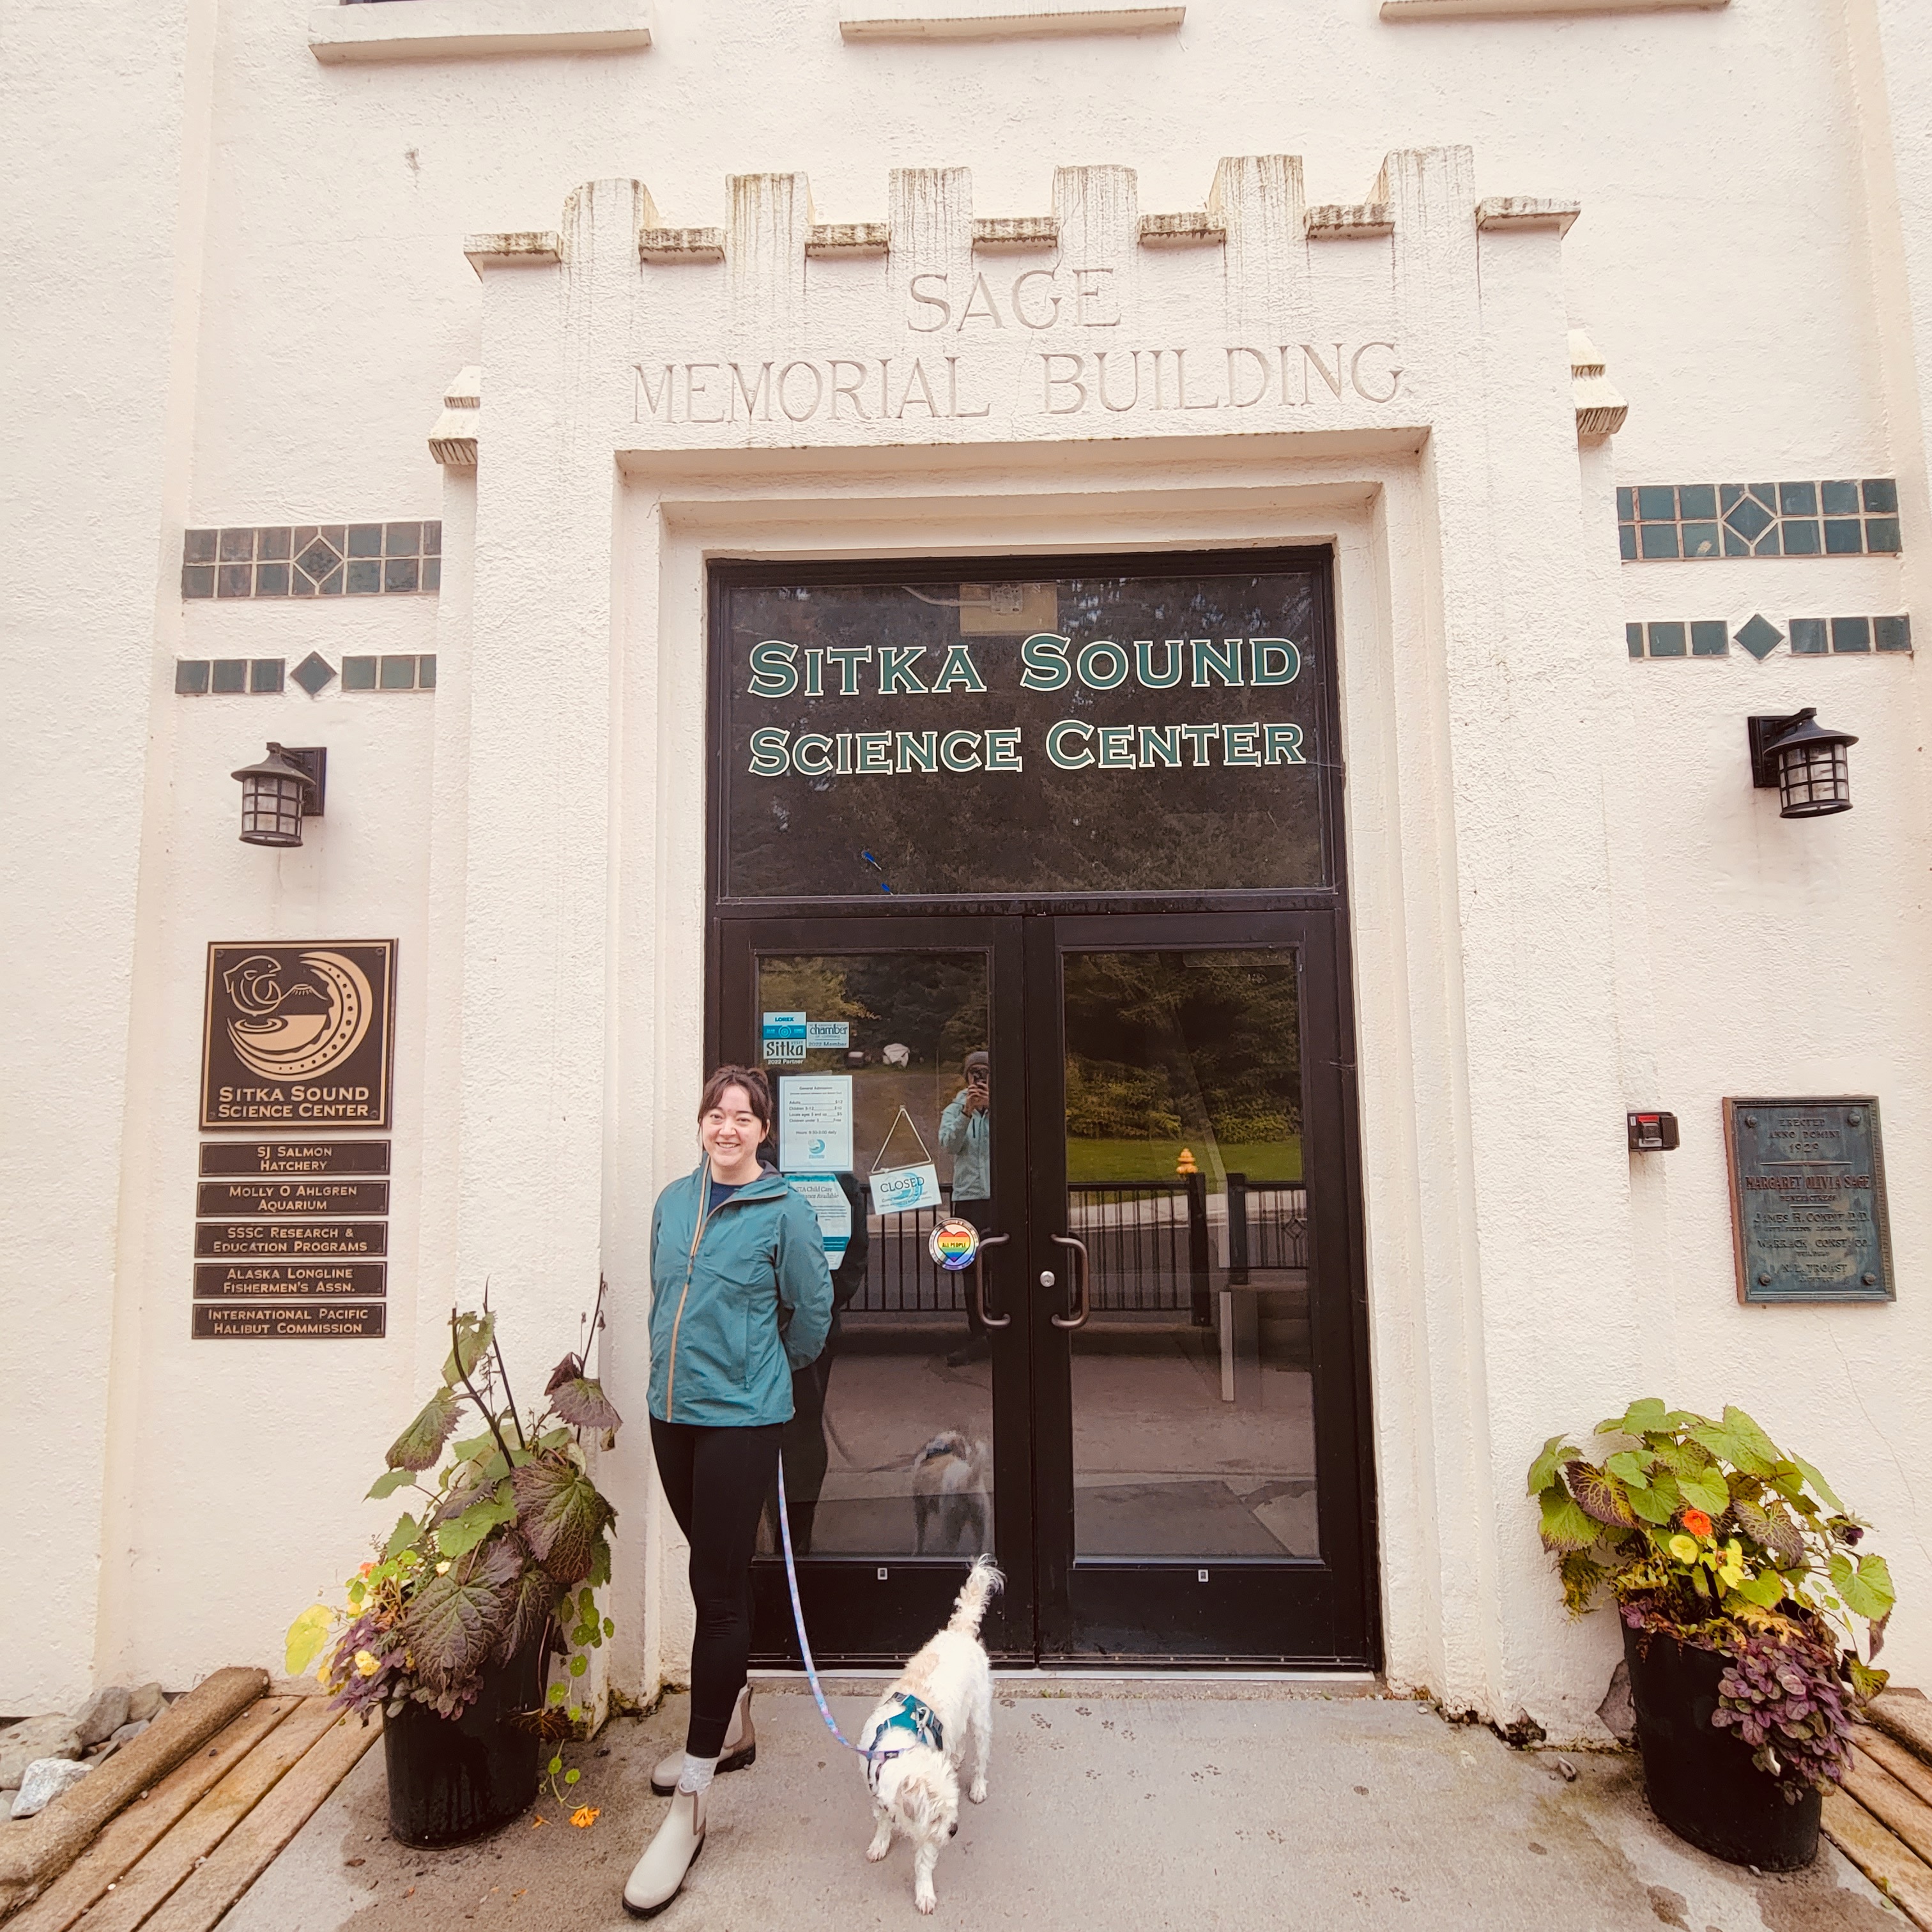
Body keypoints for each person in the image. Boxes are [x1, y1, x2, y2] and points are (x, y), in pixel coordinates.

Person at [624, 1066, 833, 1919]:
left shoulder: (786, 1213)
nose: (728, 1126)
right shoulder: (674, 1201)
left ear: (765, 1130)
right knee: (711, 1573)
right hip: (670, 1414)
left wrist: (764, 1380)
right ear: (702, 1122)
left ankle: (692, 1803)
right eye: (716, 1112)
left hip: (743, 1421)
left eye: (744, 1116)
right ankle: (736, 1715)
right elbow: (660, 1293)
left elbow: (811, 1315)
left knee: (716, 1590)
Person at [938, 1049, 993, 1367]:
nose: (980, 1078)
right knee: (970, 1271)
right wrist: (967, 1113)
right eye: (975, 1073)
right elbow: (948, 1145)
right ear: (966, 1077)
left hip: (998, 1197)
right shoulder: (955, 1108)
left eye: (985, 1072)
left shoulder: (1005, 1105)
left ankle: (1001, 1331)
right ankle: (977, 1335)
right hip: (968, 1198)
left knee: (1001, 1267)